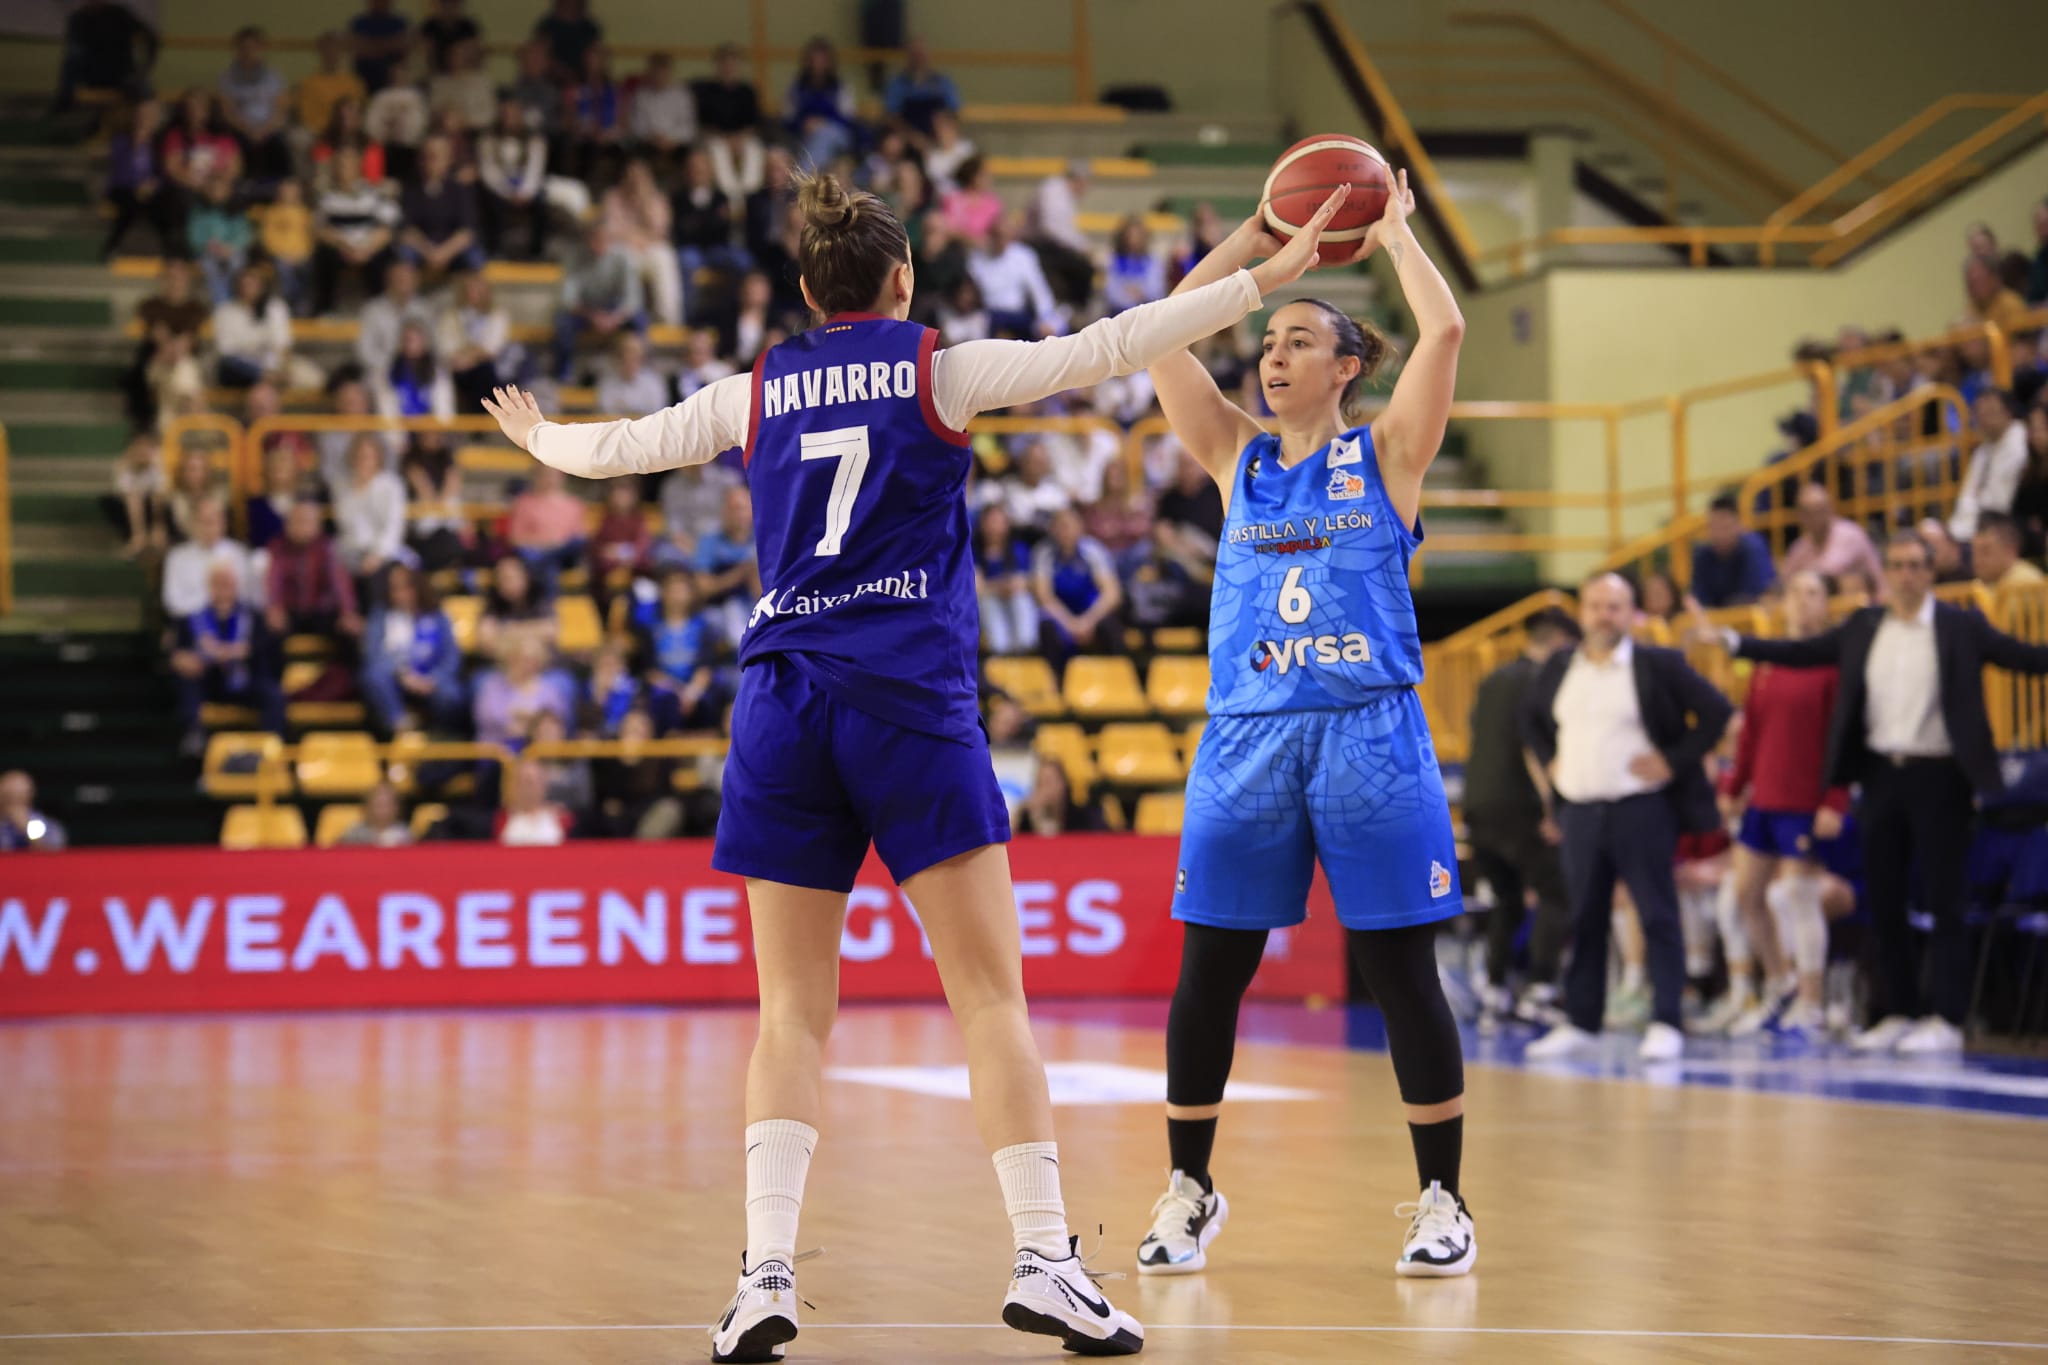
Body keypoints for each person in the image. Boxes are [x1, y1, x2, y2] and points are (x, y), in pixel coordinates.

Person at [482, 165, 1332, 1362]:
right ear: (902, 278)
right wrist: (1263, 275)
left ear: (804, 289)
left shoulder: (756, 387)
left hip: (780, 703)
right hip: (904, 700)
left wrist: (537, 436)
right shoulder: (939, 368)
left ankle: (764, 1278)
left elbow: (617, 449)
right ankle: (1044, 1260)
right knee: (988, 997)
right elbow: (1111, 343)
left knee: (790, 1016)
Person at [1127, 172, 1479, 1279]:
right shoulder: (1233, 459)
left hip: (1368, 738)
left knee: (1396, 972)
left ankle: (1443, 1204)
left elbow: (1447, 325)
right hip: (1247, 741)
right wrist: (1260, 238)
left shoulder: (1385, 457)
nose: (1270, 357)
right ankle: (1188, 1188)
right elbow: (1154, 337)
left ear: (1345, 367)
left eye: (1295, 340)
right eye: (1264, 342)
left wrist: (1394, 234)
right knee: (1209, 972)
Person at [1705, 530, 2048, 1055]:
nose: (1907, 575)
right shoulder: (1864, 626)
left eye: (1916, 566)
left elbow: (2022, 657)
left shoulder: (1961, 625)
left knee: (1944, 898)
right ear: (1885, 572)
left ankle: (1946, 1018)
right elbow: (1801, 650)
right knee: (1886, 898)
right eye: (1898, 565)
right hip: (1881, 775)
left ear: (1931, 572)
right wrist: (1735, 643)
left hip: (1941, 776)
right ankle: (1900, 1011)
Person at [1523, 573, 1734, 1063]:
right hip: (1579, 811)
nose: (1604, 615)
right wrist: (1550, 759)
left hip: (1641, 807)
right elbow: (1529, 718)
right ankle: (1582, 1021)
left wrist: (1674, 759)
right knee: (1586, 916)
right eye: (1596, 605)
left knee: (1657, 913)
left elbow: (1717, 711)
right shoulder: (1559, 667)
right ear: (1582, 612)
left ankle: (1665, 1020)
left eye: (1615, 607)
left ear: (1631, 613)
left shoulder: (1656, 664)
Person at [1688, 572, 1843, 1038]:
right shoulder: (1767, 664)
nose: (1802, 601)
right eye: (1795, 592)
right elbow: (1751, 733)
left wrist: (1833, 799)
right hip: (1764, 800)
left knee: (1798, 895)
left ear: (1826, 605)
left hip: (1804, 800)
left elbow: (1843, 739)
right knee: (1745, 895)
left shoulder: (1833, 666)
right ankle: (1782, 984)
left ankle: (1812, 1002)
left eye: (1812, 592)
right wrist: (1734, 791)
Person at [1466, 607, 1578, 1028]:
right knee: (1557, 893)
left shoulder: (1493, 679)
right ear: (1561, 646)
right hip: (1520, 806)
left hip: (1478, 804)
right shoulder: (1543, 682)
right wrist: (1554, 810)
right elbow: (1534, 749)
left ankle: (1494, 987)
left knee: (1507, 900)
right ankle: (1540, 989)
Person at [171, 562, 286, 747]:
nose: (223, 587)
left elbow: (268, 651)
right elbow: (178, 652)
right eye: (218, 582)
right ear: (209, 586)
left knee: (274, 694)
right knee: (187, 680)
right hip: (210, 680)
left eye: (227, 582)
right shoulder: (192, 619)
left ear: (236, 585)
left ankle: (271, 746)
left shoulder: (254, 617)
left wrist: (241, 651)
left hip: (247, 678)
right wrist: (190, 658)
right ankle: (193, 736)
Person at [361, 563, 462, 735]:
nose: (401, 594)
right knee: (373, 675)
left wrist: (432, 679)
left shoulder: (437, 616)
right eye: (395, 589)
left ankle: (441, 737)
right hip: (394, 681)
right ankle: (400, 725)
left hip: (430, 679)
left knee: (451, 694)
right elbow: (373, 654)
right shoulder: (380, 615)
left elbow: (451, 657)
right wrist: (402, 674)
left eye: (406, 587)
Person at [553, 222, 647, 381]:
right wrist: (593, 316)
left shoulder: (622, 257)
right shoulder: (575, 257)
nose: (599, 245)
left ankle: (640, 367)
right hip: (586, 310)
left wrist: (615, 317)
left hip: (614, 309)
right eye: (595, 240)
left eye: (604, 240)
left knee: (640, 320)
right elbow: (567, 299)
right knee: (562, 322)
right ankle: (564, 371)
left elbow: (633, 298)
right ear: (588, 240)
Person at [312, 147, 401, 315]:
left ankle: (381, 310)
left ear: (358, 167)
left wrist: (367, 249)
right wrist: (344, 246)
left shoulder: (374, 193)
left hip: (369, 248)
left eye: (348, 165)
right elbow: (319, 230)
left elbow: (389, 228)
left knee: (385, 257)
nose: (343, 170)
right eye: (340, 165)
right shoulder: (326, 197)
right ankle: (325, 309)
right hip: (339, 248)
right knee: (323, 255)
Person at [1030, 506, 1123, 667]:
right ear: (1053, 529)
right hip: (1060, 613)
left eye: (1069, 525)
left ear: (1080, 527)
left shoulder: (1093, 550)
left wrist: (1088, 621)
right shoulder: (1043, 553)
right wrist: (1069, 624)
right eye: (1060, 526)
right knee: (1046, 627)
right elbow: (1043, 596)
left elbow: (1112, 594)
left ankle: (1115, 678)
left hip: (1090, 612)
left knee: (1110, 626)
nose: (1065, 531)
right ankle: (1055, 683)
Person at [602, 158, 683, 327]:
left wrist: (644, 201)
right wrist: (634, 238)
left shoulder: (657, 198)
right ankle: (630, 318)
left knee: (665, 256)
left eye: (640, 177)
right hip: (624, 249)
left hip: (649, 248)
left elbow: (661, 231)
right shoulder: (613, 197)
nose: (635, 181)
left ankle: (668, 317)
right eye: (632, 176)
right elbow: (610, 231)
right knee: (624, 257)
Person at [266, 500, 363, 639]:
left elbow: (340, 583)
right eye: (298, 521)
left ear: (318, 525)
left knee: (349, 629)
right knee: (269, 630)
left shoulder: (327, 548)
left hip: (321, 613)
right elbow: (274, 581)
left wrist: (347, 611)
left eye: (307, 522)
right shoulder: (278, 547)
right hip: (290, 612)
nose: (302, 527)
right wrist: (275, 607)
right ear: (288, 524)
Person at [1950, 388, 2029, 542]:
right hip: (1968, 527)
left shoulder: (2019, 444)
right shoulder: (1983, 449)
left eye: (1991, 412)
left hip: (2002, 528)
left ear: (2008, 412)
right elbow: (1967, 496)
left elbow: (1998, 503)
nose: (1984, 419)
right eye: (1980, 413)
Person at [102, 98, 177, 259]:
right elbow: (119, 172)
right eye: (141, 115)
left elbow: (164, 172)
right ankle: (113, 244)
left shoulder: (160, 142)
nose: (144, 119)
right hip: (123, 187)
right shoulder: (121, 140)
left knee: (162, 202)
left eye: (149, 116)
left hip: (152, 188)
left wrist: (152, 185)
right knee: (133, 201)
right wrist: (136, 146)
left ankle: (169, 247)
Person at [398, 135, 482, 277]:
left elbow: (467, 232)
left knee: (475, 257)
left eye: (436, 157)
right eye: (427, 156)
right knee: (403, 256)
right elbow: (407, 230)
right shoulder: (411, 190)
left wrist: (443, 253)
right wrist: (430, 253)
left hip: (451, 247)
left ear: (449, 160)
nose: (430, 162)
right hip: (422, 247)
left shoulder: (460, 190)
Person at [54, 0, 157, 114]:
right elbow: (74, 57)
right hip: (93, 76)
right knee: (74, 55)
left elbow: (150, 37)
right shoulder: (79, 18)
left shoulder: (119, 14)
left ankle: (153, 120)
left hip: (121, 76)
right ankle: (62, 108)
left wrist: (143, 69)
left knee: (145, 95)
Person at [1780, 481, 1884, 594]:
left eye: (1819, 510)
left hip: (1873, 604)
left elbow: (1827, 572)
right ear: (1800, 515)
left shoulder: (1850, 534)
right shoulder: (1801, 546)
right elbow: (1785, 581)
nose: (1814, 517)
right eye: (1808, 512)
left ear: (1830, 508)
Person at [161, 498, 257, 620]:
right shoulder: (177, 557)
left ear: (223, 523)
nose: (207, 528)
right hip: (191, 625)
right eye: (202, 521)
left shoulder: (238, 553)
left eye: (212, 521)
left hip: (234, 623)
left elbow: (248, 597)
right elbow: (172, 603)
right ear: (192, 523)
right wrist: (213, 598)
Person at [217, 26, 290, 183]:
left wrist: (264, 129)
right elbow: (227, 112)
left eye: (253, 47)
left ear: (261, 49)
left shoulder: (274, 77)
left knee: (281, 147)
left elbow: (281, 111)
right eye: (244, 47)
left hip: (269, 130)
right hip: (240, 130)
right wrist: (248, 129)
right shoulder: (226, 78)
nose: (248, 52)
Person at [784, 37, 859, 172]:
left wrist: (823, 122)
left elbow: (849, 119)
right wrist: (804, 123)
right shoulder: (796, 88)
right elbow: (788, 119)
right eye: (813, 60)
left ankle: (806, 175)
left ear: (829, 63)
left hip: (836, 134)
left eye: (821, 61)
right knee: (817, 139)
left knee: (823, 134)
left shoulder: (840, 87)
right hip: (804, 136)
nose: (817, 65)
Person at [1691, 492, 1776, 607]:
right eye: (1715, 527)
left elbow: (1757, 594)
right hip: (1717, 621)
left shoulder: (1753, 548)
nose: (1720, 534)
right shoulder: (1703, 556)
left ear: (1739, 525)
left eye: (1726, 527)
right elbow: (1699, 600)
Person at [976, 504, 1037, 656]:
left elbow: (1026, 583)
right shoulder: (973, 551)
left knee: (1021, 599)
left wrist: (1001, 586)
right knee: (988, 602)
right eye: (991, 521)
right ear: (982, 524)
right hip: (987, 602)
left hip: (1013, 600)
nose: (994, 527)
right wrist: (1000, 586)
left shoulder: (1018, 549)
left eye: (999, 521)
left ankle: (1025, 647)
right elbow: (977, 588)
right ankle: (1000, 649)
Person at [883, 37, 959, 140]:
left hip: (938, 139)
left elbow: (953, 113)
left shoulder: (942, 83)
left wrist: (944, 132)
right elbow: (891, 117)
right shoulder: (897, 84)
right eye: (915, 54)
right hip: (908, 141)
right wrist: (913, 138)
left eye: (921, 54)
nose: (918, 58)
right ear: (908, 57)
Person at [628, 53, 697, 159]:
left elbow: (689, 128)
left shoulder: (682, 95)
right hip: (648, 142)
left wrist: (671, 139)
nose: (659, 76)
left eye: (663, 71)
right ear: (650, 72)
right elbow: (637, 125)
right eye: (656, 72)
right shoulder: (641, 95)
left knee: (690, 153)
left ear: (670, 72)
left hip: (677, 143)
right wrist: (653, 137)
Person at [496, 757, 573, 845]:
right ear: (513, 785)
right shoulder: (501, 820)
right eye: (522, 781)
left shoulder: (561, 819)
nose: (528, 788)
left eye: (532, 782)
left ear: (544, 785)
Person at [597, 330, 668, 416]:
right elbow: (606, 412)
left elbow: (657, 413)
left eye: (635, 357)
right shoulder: (607, 382)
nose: (630, 361)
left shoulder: (653, 382)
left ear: (641, 358)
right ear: (618, 358)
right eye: (625, 355)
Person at [1973, 510, 2044, 592]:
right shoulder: (1978, 586)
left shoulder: (2026, 583)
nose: (1978, 559)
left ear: (2010, 550)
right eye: (1975, 552)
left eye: (1986, 551)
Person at [349, 0, 410, 93]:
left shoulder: (399, 22)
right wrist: (389, 45)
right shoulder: (359, 23)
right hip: (365, 74)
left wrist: (372, 45)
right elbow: (358, 47)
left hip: (393, 76)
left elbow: (403, 45)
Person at [0, 772, 68, 853]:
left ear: (31, 795)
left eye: (20, 796)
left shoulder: (47, 825)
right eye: (8, 796)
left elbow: (54, 855)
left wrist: (27, 828)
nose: (14, 800)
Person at [338, 781, 413, 846]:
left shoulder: (405, 835)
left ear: (397, 807)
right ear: (367, 807)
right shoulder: (355, 833)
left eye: (388, 804)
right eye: (378, 804)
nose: (383, 810)